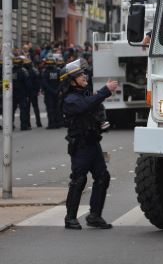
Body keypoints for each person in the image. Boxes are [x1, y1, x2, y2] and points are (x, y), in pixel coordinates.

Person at [60, 59, 118, 230]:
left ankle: (94, 215)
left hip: (93, 143)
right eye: (79, 75)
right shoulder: (70, 99)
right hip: (81, 146)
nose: (84, 76)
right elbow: (86, 106)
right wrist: (105, 91)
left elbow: (96, 108)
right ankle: (70, 218)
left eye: (83, 73)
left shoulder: (85, 95)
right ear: (71, 81)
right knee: (79, 180)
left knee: (102, 177)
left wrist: (102, 123)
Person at [41, 56, 62, 129]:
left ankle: (52, 123)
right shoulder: (58, 71)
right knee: (57, 108)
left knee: (50, 108)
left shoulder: (45, 72)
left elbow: (44, 84)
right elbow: (61, 82)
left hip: (49, 93)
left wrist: (51, 90)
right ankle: (58, 123)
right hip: (56, 92)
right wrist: (57, 90)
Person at [12, 56, 32, 130]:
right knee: (23, 110)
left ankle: (10, 124)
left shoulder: (10, 71)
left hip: (13, 94)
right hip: (22, 93)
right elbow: (28, 84)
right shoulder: (23, 71)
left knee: (11, 110)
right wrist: (28, 93)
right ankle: (23, 126)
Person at [24, 56, 43, 128]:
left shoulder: (24, 71)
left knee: (27, 108)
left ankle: (28, 123)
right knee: (35, 107)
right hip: (33, 92)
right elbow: (37, 82)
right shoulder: (34, 71)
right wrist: (38, 90)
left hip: (27, 92)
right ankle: (38, 122)